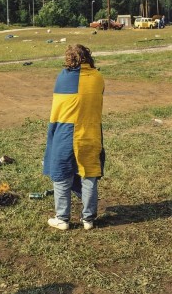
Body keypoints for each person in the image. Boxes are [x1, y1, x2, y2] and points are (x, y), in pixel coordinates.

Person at [43, 44, 105, 231]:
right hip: (91, 132)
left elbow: (58, 107)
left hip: (65, 132)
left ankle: (62, 218)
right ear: (88, 57)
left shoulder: (62, 78)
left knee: (62, 175)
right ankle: (89, 219)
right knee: (89, 175)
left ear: (69, 59)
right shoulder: (98, 78)